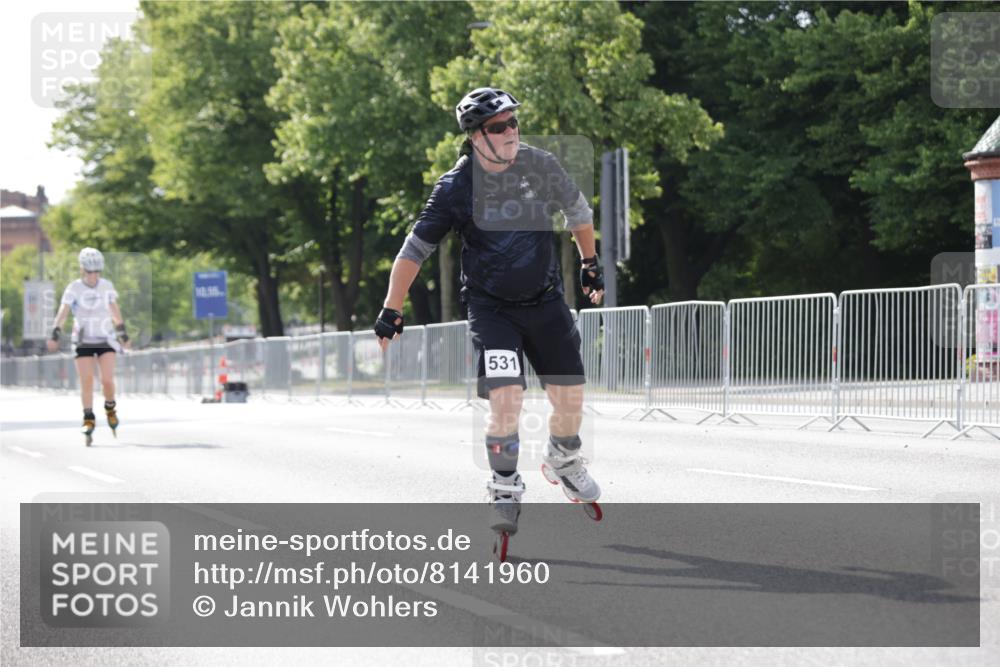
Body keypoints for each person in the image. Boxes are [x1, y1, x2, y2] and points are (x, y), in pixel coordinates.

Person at [374, 87, 605, 537]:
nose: (512, 131)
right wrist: (391, 308)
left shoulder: (541, 165)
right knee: (506, 399)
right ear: (476, 136)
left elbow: (578, 212)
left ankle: (563, 457)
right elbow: (414, 250)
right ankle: (503, 484)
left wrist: (590, 263)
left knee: (571, 399)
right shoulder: (456, 188)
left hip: (545, 300)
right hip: (492, 309)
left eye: (514, 121)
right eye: (500, 127)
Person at [47, 247, 131, 444]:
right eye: (90, 271)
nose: (94, 276)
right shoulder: (74, 288)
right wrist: (55, 333)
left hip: (105, 338)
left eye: (97, 271)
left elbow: (115, 311)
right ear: (82, 270)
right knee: (86, 381)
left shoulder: (106, 286)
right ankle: (88, 419)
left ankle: (110, 407)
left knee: (107, 381)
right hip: (83, 339)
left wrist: (123, 334)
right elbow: (63, 311)